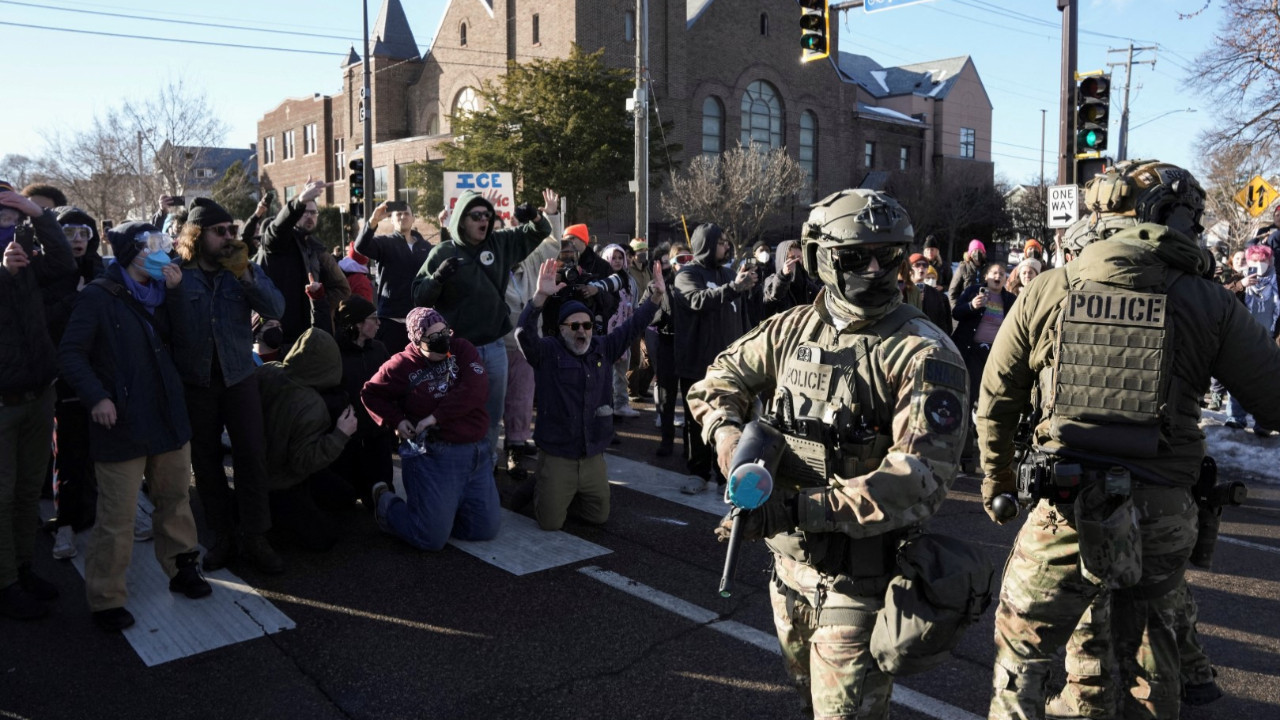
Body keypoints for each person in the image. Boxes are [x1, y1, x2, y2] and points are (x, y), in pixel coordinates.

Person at [977, 159, 1280, 720]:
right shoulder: (1209, 301)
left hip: (1063, 509)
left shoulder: (1048, 289)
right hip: (1162, 514)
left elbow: (996, 401)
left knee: (1021, 660)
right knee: (1152, 660)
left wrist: (996, 482)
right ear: (1172, 218)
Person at [686, 189, 968, 719]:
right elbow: (717, 380)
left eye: (890, 254)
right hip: (789, 573)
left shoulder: (923, 352)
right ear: (820, 257)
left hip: (859, 587)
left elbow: (917, 479)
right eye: (856, 256)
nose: (877, 268)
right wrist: (730, 445)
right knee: (809, 701)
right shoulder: (794, 329)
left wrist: (796, 510)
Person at [58, 222, 212, 631]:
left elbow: (189, 344)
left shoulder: (165, 293)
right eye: (151, 246)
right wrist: (98, 397)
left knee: (175, 500)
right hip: (122, 422)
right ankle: (106, 597)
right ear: (130, 253)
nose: (162, 252)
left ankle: (182, 570)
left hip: (167, 415)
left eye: (163, 244)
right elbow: (71, 354)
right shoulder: (98, 296)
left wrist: (178, 296)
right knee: (117, 515)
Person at [172, 198, 287, 574]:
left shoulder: (241, 268)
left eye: (231, 231)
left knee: (251, 455)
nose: (228, 238)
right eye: (219, 231)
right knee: (205, 462)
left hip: (239, 376)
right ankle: (222, 534)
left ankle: (256, 535)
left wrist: (245, 274)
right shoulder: (177, 273)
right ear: (197, 234)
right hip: (196, 382)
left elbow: (277, 307)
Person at [412, 189, 559, 466]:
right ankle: (455, 465)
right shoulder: (443, 251)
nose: (484, 220)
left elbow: (540, 232)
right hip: (457, 351)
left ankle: (486, 464)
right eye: (476, 215)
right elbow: (419, 296)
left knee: (492, 413)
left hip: (495, 346)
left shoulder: (499, 242)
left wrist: (536, 216)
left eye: (488, 215)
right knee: (458, 412)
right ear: (461, 220)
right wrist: (437, 278)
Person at [516, 259, 663, 530]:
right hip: (558, 452)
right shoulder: (547, 352)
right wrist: (539, 298)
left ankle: (560, 489)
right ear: (561, 329)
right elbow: (524, 333)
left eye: (586, 325)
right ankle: (544, 483)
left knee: (598, 517)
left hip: (592, 454)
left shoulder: (602, 347)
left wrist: (654, 297)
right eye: (574, 326)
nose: (582, 331)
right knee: (550, 523)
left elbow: (632, 326)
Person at [362, 308, 500, 550]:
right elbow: (371, 393)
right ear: (416, 340)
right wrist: (396, 420)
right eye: (433, 337)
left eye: (445, 333)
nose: (443, 341)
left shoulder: (461, 348)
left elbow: (475, 390)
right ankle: (385, 505)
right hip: (435, 454)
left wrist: (435, 417)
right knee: (430, 538)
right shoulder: (401, 365)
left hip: (476, 452)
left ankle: (443, 511)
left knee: (483, 529)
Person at [1, 182, 75, 620]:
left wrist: (39, 214)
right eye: (2, 216)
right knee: (2, 494)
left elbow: (65, 263)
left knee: (29, 490)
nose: (9, 226)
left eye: (13, 216)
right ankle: (5, 581)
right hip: (3, 403)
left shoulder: (28, 255)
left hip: (38, 392)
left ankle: (24, 568)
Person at [673, 223, 757, 495]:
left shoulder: (730, 273)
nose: (726, 246)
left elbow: (743, 313)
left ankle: (725, 474)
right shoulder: (686, 275)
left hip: (729, 365)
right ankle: (698, 472)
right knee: (697, 421)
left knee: (732, 421)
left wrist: (747, 286)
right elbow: (698, 300)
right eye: (721, 242)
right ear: (707, 245)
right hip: (697, 362)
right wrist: (734, 288)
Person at [256, 328, 358, 551]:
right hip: (282, 482)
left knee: (344, 495)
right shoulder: (312, 405)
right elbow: (302, 462)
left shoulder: (268, 371)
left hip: (256, 469)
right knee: (325, 538)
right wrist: (341, 434)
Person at [45, 206, 107, 559]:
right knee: (69, 452)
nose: (78, 240)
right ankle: (65, 523)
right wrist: (77, 298)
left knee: (111, 451)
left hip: (101, 374)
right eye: (68, 233)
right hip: (65, 377)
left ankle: (120, 515)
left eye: (84, 232)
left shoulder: (101, 268)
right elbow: (42, 319)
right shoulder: (46, 272)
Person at [256, 179, 350, 349]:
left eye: (313, 213)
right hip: (279, 338)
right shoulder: (279, 242)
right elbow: (276, 230)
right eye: (304, 212)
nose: (309, 216)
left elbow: (342, 289)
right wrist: (299, 202)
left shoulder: (315, 248)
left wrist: (317, 302)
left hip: (308, 335)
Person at [502, 231, 561, 475]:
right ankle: (488, 451)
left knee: (522, 397)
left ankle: (515, 446)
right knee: (492, 399)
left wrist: (551, 215)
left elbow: (552, 245)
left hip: (525, 344)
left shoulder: (531, 261)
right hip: (497, 343)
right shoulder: (491, 265)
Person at [332, 297, 394, 504]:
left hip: (378, 434)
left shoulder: (379, 348)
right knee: (344, 501)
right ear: (358, 323)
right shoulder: (334, 352)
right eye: (373, 318)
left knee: (383, 494)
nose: (378, 323)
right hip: (348, 438)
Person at [354, 200, 432, 352]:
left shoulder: (425, 246)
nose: (403, 217)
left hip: (420, 322)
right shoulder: (384, 243)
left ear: (413, 218)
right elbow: (360, 246)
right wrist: (373, 220)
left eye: (406, 213)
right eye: (398, 214)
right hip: (391, 321)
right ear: (391, 219)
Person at [1224, 243, 1280, 433]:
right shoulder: (1240, 278)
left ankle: (1264, 423)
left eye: (1263, 260)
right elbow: (1222, 297)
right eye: (1255, 260)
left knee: (1267, 384)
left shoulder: (1277, 281)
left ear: (1270, 261)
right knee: (1239, 379)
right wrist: (1241, 285)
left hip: (1270, 340)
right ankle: (1235, 417)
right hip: (1243, 339)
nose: (1259, 264)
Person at [952, 262, 1014, 406]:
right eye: (994, 273)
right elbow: (956, 313)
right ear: (986, 277)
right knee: (971, 390)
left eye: (1002, 274)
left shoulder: (1010, 299)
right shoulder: (973, 291)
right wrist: (971, 306)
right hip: (971, 350)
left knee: (989, 392)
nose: (998, 276)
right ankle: (968, 425)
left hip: (995, 353)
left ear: (1005, 280)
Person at [649, 244, 690, 457]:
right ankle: (666, 441)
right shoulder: (659, 284)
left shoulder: (698, 283)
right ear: (672, 263)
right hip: (667, 344)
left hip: (693, 347)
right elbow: (646, 312)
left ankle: (691, 446)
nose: (685, 264)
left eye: (689, 258)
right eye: (680, 260)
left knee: (693, 399)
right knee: (666, 398)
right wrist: (660, 298)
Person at [600, 243, 642, 418]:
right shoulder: (602, 278)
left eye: (620, 257)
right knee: (606, 370)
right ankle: (605, 405)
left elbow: (635, 302)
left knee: (622, 370)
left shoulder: (629, 279)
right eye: (613, 258)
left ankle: (621, 404)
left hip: (625, 329)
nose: (617, 261)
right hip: (607, 331)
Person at [625, 239, 656, 400]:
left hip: (649, 315)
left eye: (646, 250)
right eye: (640, 251)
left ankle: (642, 387)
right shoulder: (628, 270)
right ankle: (632, 391)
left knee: (652, 355)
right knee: (634, 356)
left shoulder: (647, 270)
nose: (644, 253)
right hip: (634, 316)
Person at [761, 239, 819, 318]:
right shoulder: (771, 280)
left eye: (799, 257)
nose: (796, 261)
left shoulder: (809, 284)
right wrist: (783, 275)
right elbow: (774, 294)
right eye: (791, 258)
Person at [906, 252, 952, 334]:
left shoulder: (934, 293)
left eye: (924, 265)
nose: (921, 268)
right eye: (917, 265)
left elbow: (942, 321)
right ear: (909, 269)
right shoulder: (902, 291)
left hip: (931, 338)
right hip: (909, 338)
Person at [948, 238, 987, 308]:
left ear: (984, 253)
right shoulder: (963, 268)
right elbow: (952, 291)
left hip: (983, 309)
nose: (977, 253)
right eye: (974, 250)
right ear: (970, 253)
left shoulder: (988, 269)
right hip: (966, 307)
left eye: (980, 250)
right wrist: (956, 308)